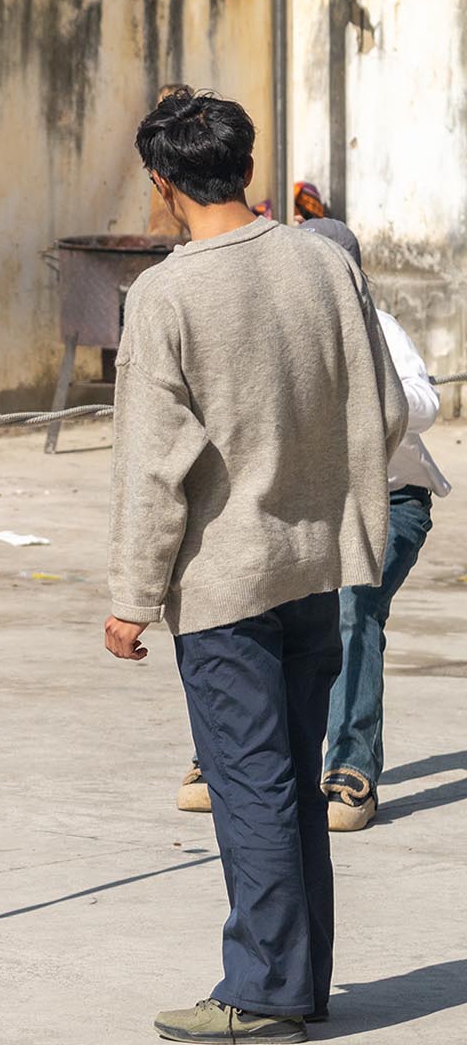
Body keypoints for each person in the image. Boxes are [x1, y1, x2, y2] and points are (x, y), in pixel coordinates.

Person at [105, 89, 406, 1044]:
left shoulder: (166, 295)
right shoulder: (324, 262)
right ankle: (299, 982)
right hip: (315, 569)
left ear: (163, 183)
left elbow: (153, 469)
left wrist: (131, 597)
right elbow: (385, 407)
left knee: (251, 790)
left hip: (226, 584)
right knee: (290, 784)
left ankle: (266, 993)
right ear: (245, 167)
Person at [178, 219, 448, 834]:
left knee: (354, 607)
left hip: (388, 501)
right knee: (254, 603)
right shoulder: (266, 325)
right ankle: (231, 759)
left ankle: (350, 769)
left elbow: (425, 403)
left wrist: (366, 391)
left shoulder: (380, 328)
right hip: (301, 504)